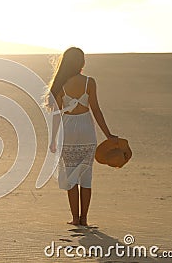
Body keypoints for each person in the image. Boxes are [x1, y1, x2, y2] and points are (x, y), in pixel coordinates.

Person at [44, 47, 118, 226]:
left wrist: (53, 139)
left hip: (68, 131)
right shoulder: (89, 82)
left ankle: (75, 218)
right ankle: (84, 218)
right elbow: (96, 110)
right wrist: (108, 135)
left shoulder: (60, 83)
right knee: (86, 176)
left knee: (70, 176)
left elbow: (57, 115)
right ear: (82, 63)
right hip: (86, 130)